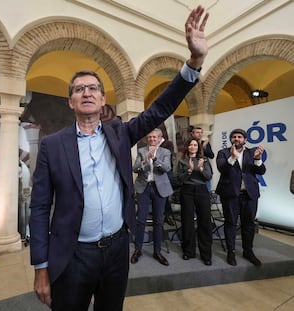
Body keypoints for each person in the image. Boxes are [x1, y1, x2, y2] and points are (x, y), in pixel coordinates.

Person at [29, 6, 209, 310]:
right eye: (79, 89)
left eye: (93, 88)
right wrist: (40, 267)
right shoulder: (52, 146)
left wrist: (194, 61)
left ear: (102, 99)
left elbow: (159, 109)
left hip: (115, 250)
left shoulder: (119, 133)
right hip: (73, 255)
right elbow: (39, 207)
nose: (86, 92)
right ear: (70, 100)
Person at [216, 128, 266, 267]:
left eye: (239, 137)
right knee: (231, 223)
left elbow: (261, 171)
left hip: (249, 195)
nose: (236, 139)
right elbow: (222, 168)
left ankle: (248, 251)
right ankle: (231, 252)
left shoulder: (251, 153)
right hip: (230, 194)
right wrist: (232, 157)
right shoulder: (223, 153)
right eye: (234, 137)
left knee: (249, 224)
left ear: (245, 140)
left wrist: (257, 159)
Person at [130, 128, 172, 266]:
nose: (152, 140)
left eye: (154, 137)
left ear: (159, 138)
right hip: (144, 187)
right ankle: (138, 249)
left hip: (160, 189)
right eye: (150, 137)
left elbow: (167, 168)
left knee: (158, 221)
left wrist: (155, 159)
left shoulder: (165, 152)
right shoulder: (142, 151)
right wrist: (144, 161)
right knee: (140, 220)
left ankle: (157, 251)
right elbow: (134, 168)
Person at [177, 138, 213, 265]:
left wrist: (201, 168)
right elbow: (178, 179)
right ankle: (188, 251)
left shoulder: (205, 160)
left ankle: (206, 255)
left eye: (195, 145)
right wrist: (190, 170)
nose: (192, 147)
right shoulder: (182, 161)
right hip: (186, 191)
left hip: (202, 190)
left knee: (205, 222)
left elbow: (209, 177)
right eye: (190, 145)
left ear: (198, 147)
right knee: (187, 222)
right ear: (187, 147)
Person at [190, 126, 214, 191]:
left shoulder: (205, 143)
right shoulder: (189, 143)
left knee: (207, 192)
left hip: (204, 170)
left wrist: (204, 147)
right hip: (193, 171)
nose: (200, 134)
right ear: (192, 134)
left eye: (201, 132)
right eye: (197, 132)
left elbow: (211, 155)